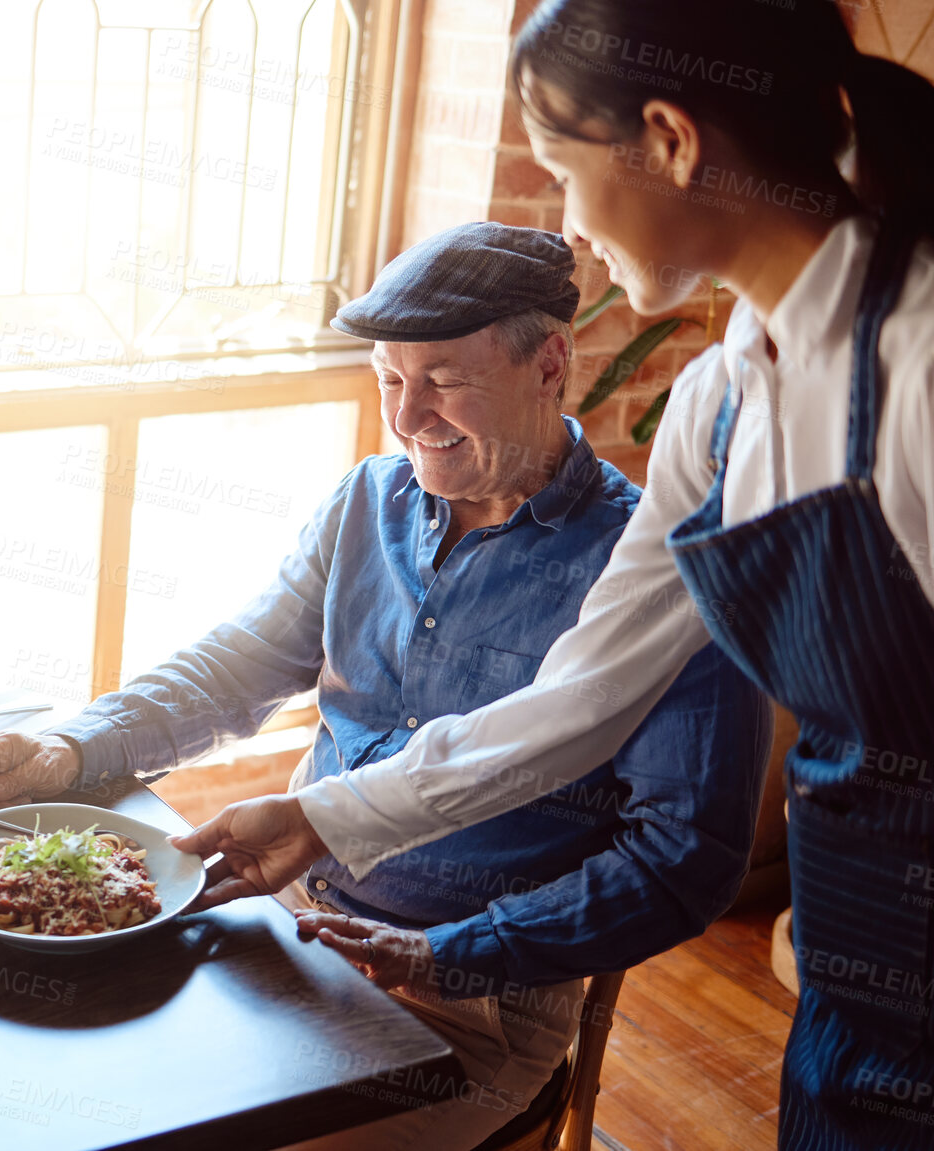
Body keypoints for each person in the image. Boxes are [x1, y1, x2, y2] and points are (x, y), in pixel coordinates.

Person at [165, 4, 934, 1147]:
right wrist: (319, 816)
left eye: (565, 172)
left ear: (669, 141)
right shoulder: (722, 408)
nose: (570, 224)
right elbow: (576, 701)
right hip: (854, 967)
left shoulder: (915, 360)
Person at [0, 222, 772, 1149]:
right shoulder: (367, 500)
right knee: (67, 1086)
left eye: (444, 380)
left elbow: (687, 856)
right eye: (390, 378)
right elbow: (241, 660)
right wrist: (76, 744)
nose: (407, 417)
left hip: (470, 1003)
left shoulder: (653, 568)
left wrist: (448, 954)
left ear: (550, 363)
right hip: (286, 918)